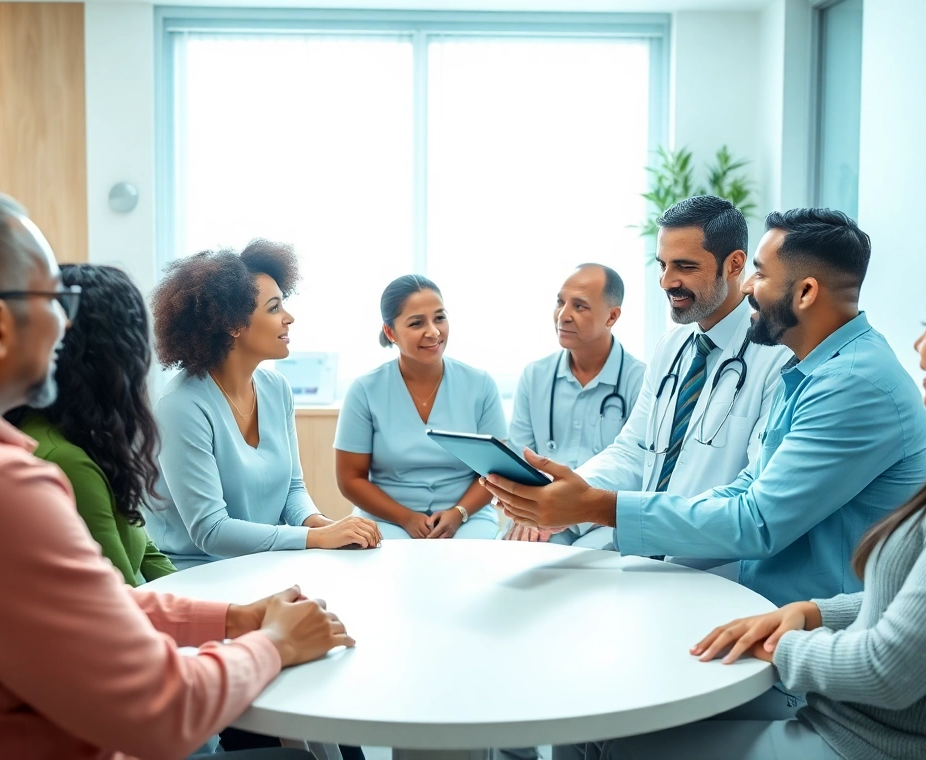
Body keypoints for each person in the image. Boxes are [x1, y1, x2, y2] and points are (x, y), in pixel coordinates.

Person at [0, 187, 349, 760]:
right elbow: (162, 712)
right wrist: (274, 643)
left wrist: (232, 618)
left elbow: (88, 609)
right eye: (56, 301)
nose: (65, 328)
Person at [591, 247, 926, 759]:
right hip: (848, 711)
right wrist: (815, 613)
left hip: (863, 739)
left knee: (615, 738)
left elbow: (886, 669)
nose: (919, 346)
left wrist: (779, 647)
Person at [487, 208, 926, 609]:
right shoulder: (809, 368)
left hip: (787, 625)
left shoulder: (849, 382)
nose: (747, 289)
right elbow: (733, 482)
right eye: (662, 265)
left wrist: (599, 508)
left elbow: (756, 521)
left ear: (804, 292)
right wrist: (575, 498)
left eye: (759, 275)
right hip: (723, 592)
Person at [509, 197, 791, 557]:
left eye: (685, 267)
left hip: (714, 569)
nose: (666, 281)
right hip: (646, 555)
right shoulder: (671, 347)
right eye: (662, 265)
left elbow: (754, 494)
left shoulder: (776, 358)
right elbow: (633, 450)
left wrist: (593, 506)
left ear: (734, 265)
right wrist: (570, 491)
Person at [145, 240, 382, 568]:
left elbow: (292, 489)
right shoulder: (180, 407)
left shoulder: (276, 389)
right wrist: (314, 540)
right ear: (233, 324)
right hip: (195, 571)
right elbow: (211, 531)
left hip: (262, 563)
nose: (289, 318)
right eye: (274, 308)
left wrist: (324, 525)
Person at [7, 263, 176, 586]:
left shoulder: (88, 439)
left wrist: (229, 613)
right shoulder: (66, 461)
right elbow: (123, 602)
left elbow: (149, 555)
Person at [335, 275, 507, 540]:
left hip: (466, 516)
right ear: (390, 332)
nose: (434, 332)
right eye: (417, 323)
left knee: (469, 565)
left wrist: (458, 513)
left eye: (439, 318)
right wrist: (406, 518)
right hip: (387, 517)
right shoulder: (365, 390)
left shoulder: (480, 385)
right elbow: (350, 479)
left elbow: (495, 472)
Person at [504, 263, 646, 549]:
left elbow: (640, 471)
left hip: (603, 519)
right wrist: (532, 511)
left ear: (612, 316)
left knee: (585, 572)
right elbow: (519, 460)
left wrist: (572, 513)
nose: (563, 315)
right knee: (509, 561)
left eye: (579, 306)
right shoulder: (535, 376)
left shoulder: (641, 380)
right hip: (540, 512)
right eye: (560, 302)